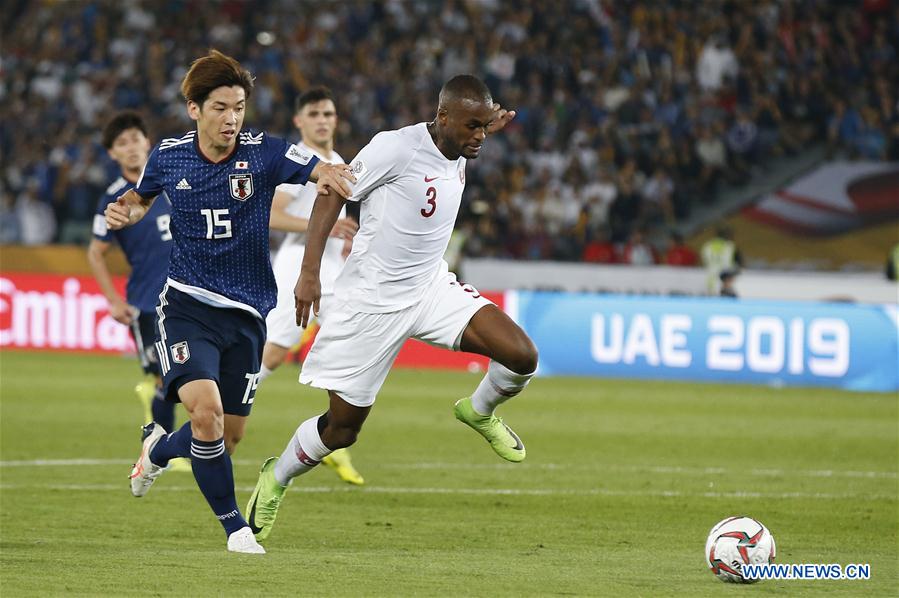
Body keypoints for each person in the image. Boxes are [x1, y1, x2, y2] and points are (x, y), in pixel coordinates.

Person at [247, 75, 539, 543]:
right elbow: (333, 192)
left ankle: (479, 411)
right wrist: (309, 272)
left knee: (522, 355)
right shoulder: (395, 148)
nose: (480, 136)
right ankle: (276, 477)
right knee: (342, 431)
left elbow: (472, 129)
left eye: (485, 127)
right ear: (442, 118)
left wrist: (484, 123)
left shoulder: (461, 142)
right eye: (472, 127)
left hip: (429, 289)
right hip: (371, 302)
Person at [104, 50, 354, 554]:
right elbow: (140, 198)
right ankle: (235, 529)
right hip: (186, 307)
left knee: (226, 435)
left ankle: (157, 449)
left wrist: (333, 178)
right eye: (221, 107)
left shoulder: (264, 152)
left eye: (239, 106)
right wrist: (124, 211)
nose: (232, 117)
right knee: (206, 414)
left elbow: (325, 173)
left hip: (247, 313)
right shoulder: (169, 156)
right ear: (195, 109)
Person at [261, 86, 364, 485]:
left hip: (333, 270)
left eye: (329, 113)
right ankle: (226, 408)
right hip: (296, 265)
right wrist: (323, 227)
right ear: (299, 121)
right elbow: (273, 214)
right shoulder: (298, 163)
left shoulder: (339, 162)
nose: (323, 120)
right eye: (315, 114)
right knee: (273, 352)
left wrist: (346, 238)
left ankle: (335, 442)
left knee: (351, 345)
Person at [87, 111, 184, 450]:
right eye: (121, 143)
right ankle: (166, 450)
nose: (130, 148)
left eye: (135, 139)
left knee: (184, 376)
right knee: (165, 378)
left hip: (188, 294)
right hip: (146, 302)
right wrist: (113, 301)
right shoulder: (112, 199)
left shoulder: (174, 179)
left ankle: (168, 444)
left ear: (148, 142)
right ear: (112, 154)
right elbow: (96, 252)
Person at [701, 224, 743, 294]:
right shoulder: (730, 246)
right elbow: (739, 262)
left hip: (710, 278)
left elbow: (704, 261)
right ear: (728, 236)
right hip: (725, 279)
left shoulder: (707, 246)